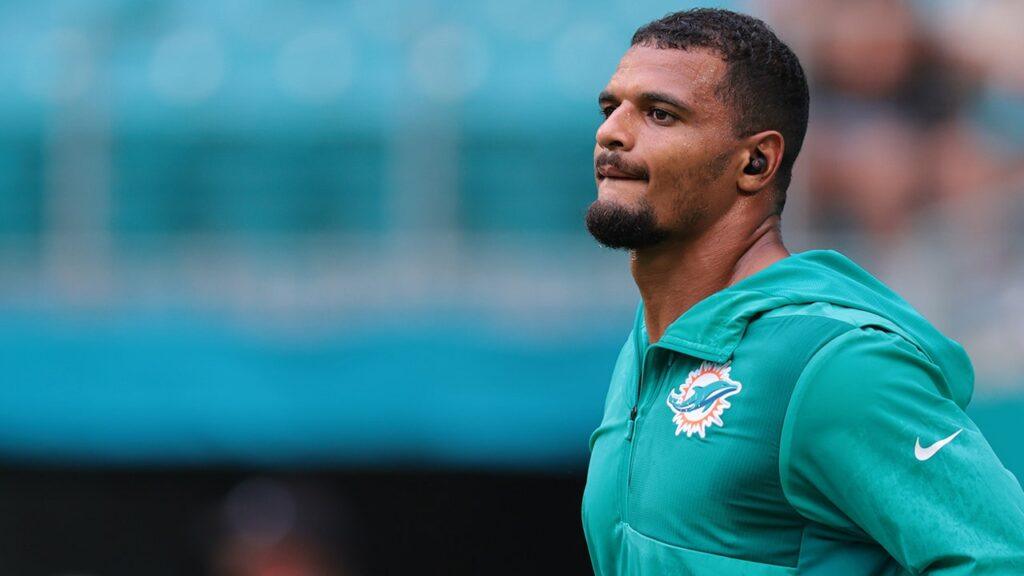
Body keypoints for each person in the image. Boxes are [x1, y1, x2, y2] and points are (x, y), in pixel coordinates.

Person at [580, 8, 1024, 575]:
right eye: (610, 107)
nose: (611, 132)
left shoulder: (835, 363)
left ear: (755, 162)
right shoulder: (652, 339)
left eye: (660, 114)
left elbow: (1004, 559)